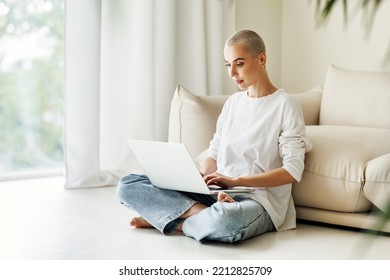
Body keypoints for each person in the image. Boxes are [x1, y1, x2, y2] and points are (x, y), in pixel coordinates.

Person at [116, 30, 312, 243]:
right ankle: (196, 215)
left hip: (258, 201)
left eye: (239, 63)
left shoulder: (286, 105)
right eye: (228, 64)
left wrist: (236, 181)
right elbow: (215, 152)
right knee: (128, 184)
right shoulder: (233, 103)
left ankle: (170, 219)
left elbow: (292, 171)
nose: (232, 72)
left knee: (225, 222)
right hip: (215, 194)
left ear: (261, 59)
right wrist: (197, 178)